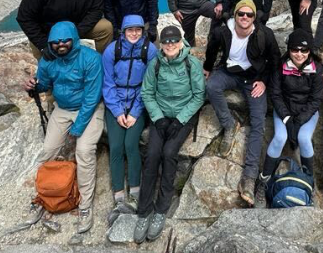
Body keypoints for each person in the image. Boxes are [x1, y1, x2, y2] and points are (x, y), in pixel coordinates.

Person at [22, 21, 104, 234]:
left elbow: (92, 96)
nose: (60, 44)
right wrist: (34, 86)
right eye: (56, 41)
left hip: (90, 109)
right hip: (63, 109)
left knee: (84, 151)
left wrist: (78, 128)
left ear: (74, 39)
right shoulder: (48, 60)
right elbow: (45, 84)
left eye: (65, 40)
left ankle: (85, 205)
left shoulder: (91, 59)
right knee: (48, 150)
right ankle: (42, 196)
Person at [204, 0, 280, 206]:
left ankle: (249, 176)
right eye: (241, 14)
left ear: (255, 18)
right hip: (230, 73)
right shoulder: (223, 32)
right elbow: (212, 48)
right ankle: (229, 124)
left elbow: (275, 61)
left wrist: (263, 82)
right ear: (235, 15)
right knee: (211, 86)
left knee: (258, 123)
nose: (245, 18)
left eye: (249, 15)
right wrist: (208, 67)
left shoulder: (264, 35)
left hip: (253, 79)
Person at [133, 25, 205, 243]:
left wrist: (180, 120)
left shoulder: (191, 63)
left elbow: (199, 95)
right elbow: (147, 92)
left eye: (174, 41)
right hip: (161, 117)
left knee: (169, 152)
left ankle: (161, 209)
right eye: (166, 42)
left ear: (181, 42)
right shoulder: (155, 64)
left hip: (183, 116)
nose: (170, 45)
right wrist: (158, 118)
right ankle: (144, 211)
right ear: (161, 45)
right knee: (152, 154)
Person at [102, 15, 158, 225]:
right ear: (123, 31)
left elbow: (149, 84)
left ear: (142, 31)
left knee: (130, 144)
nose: (134, 33)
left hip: (138, 103)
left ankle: (134, 192)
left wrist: (134, 112)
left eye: (138, 30)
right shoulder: (111, 51)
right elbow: (107, 84)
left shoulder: (149, 50)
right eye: (130, 30)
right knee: (116, 146)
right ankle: (118, 195)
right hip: (115, 103)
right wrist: (118, 112)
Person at [258, 28, 323, 205]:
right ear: (289, 50)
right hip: (284, 110)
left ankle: (309, 182)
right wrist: (287, 120)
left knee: (304, 138)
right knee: (280, 137)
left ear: (309, 51)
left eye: (304, 50)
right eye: (294, 50)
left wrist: (299, 122)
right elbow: (276, 95)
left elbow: (315, 99)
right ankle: (263, 180)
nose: (299, 54)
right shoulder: (281, 67)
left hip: (307, 113)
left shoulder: (316, 70)